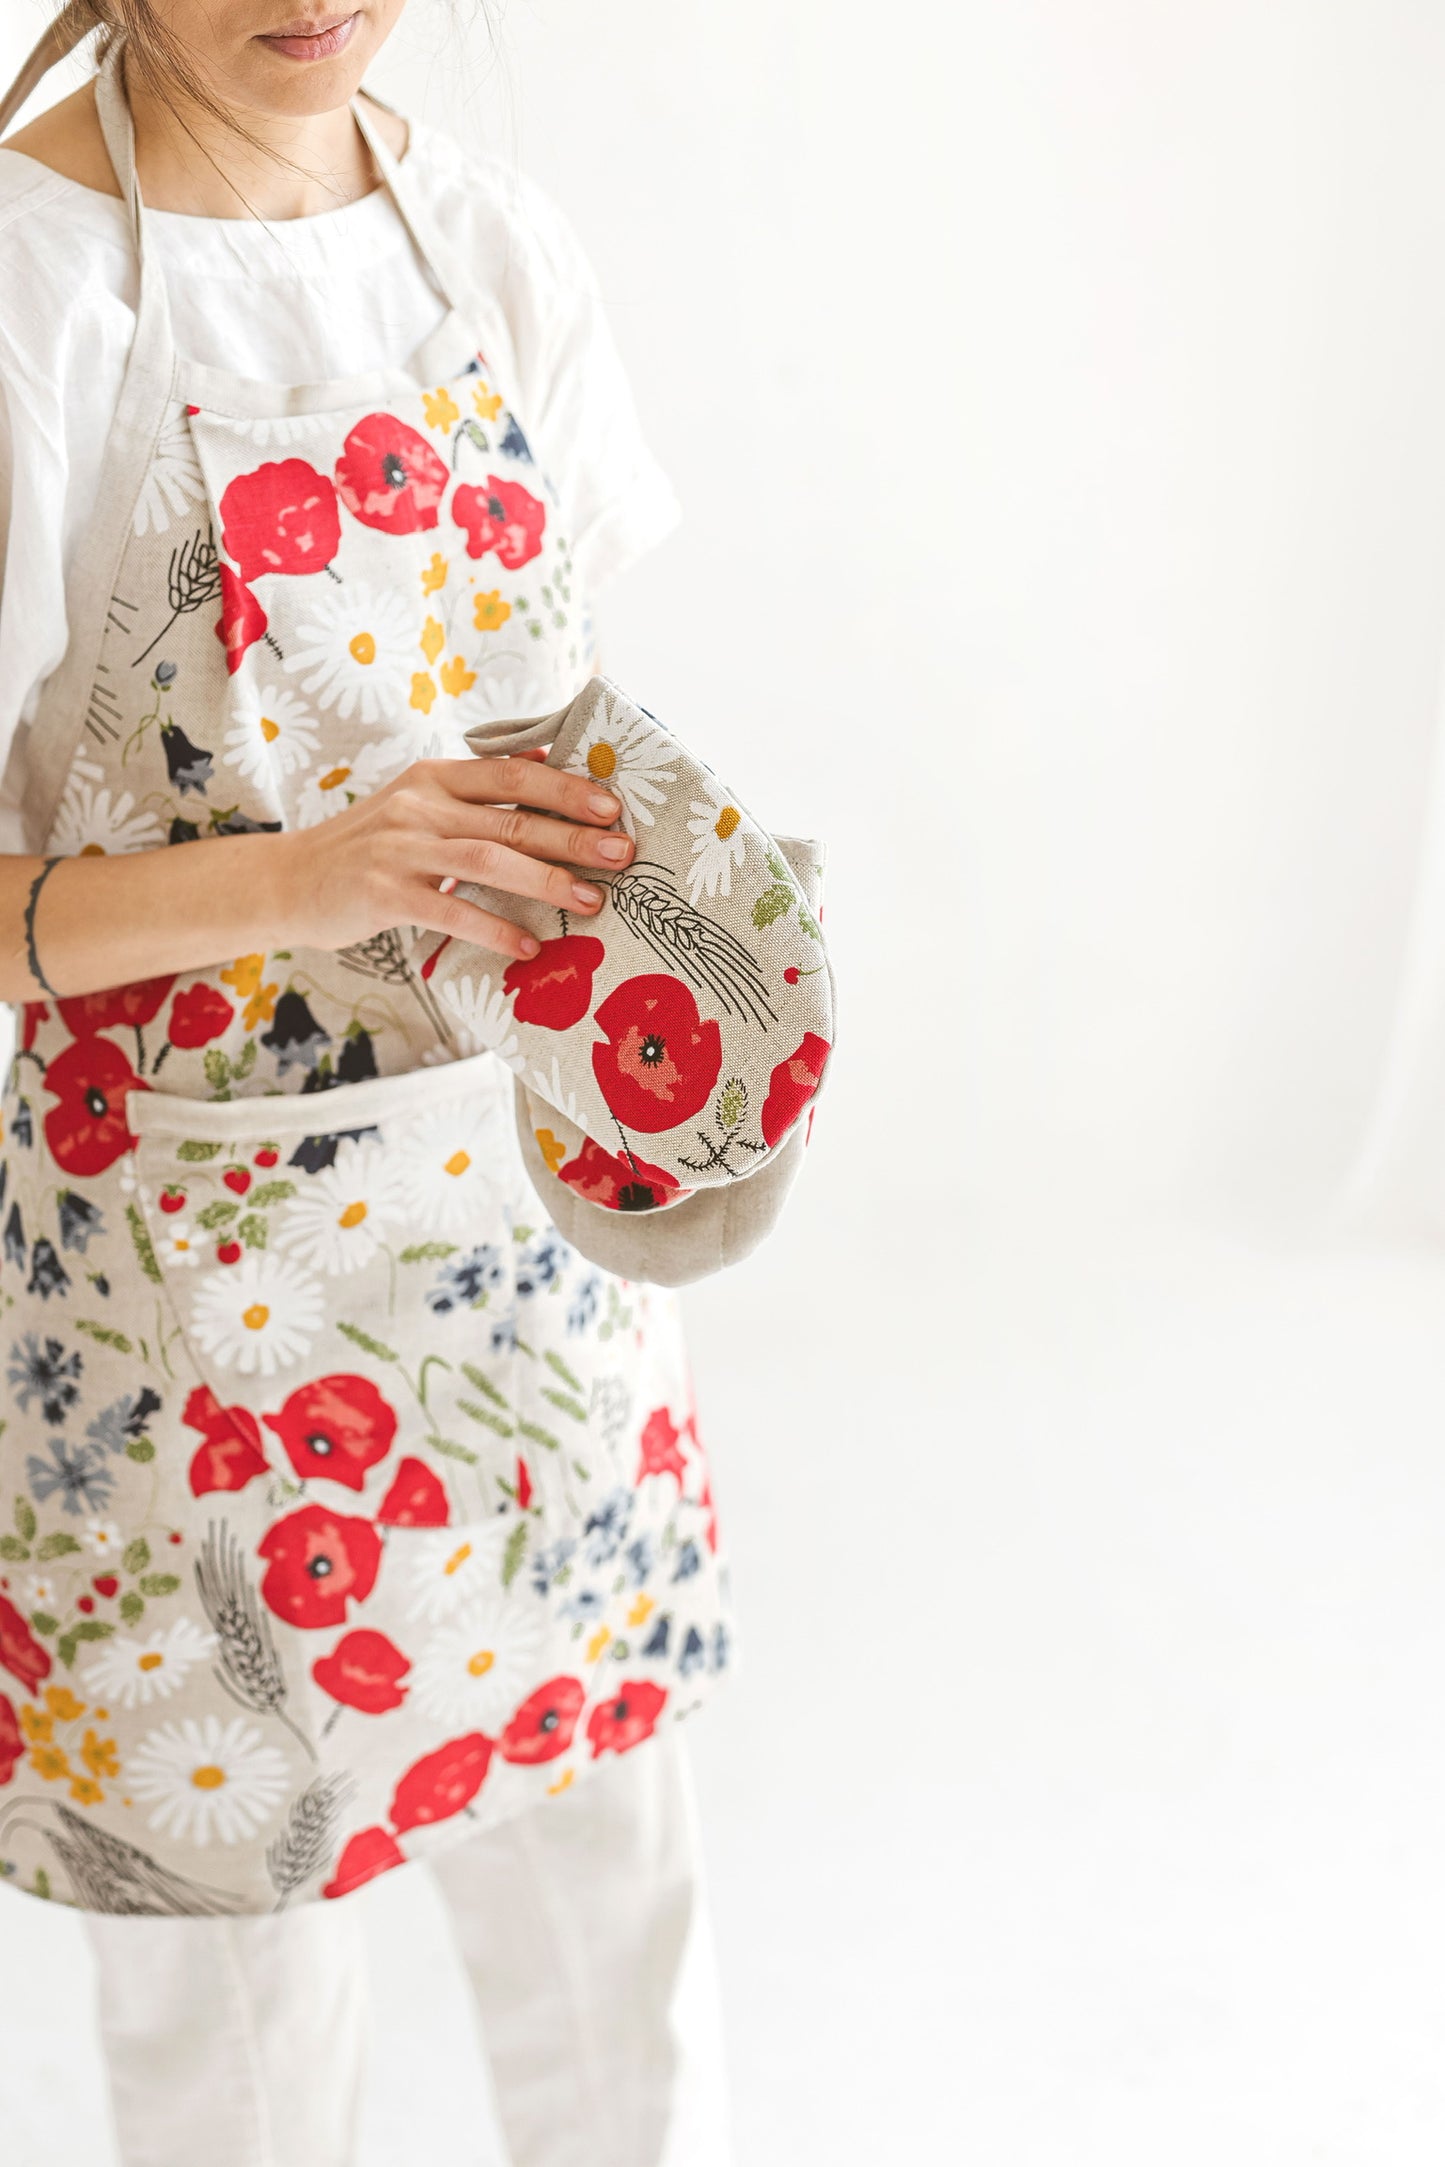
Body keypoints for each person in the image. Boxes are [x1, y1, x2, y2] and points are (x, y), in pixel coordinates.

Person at [0, 5, 739, 2160]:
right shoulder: (38, 283)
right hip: (189, 1296)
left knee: (617, 1908)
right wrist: (298, 881)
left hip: (527, 1240)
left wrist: (720, 968)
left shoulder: (480, 241)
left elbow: (584, 744)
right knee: (237, 1989)